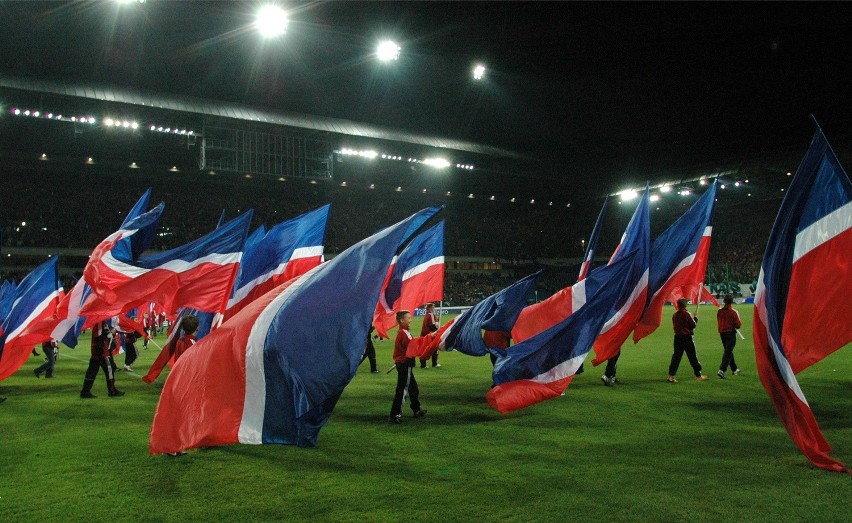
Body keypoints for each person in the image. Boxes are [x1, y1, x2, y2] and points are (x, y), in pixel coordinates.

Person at [388, 310, 427, 424]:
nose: (411, 320)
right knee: (402, 389)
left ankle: (416, 409)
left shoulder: (403, 332)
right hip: (405, 364)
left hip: (404, 363)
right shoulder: (404, 333)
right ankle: (394, 415)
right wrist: (429, 340)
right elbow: (414, 347)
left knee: (413, 388)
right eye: (408, 318)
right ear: (401, 320)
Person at [142, 315, 199, 384]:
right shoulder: (189, 342)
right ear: (197, 328)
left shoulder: (182, 340)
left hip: (182, 373)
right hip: (187, 375)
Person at [668, 298, 709, 382]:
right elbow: (693, 325)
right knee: (692, 356)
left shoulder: (675, 315)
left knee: (676, 357)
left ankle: (671, 376)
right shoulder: (687, 314)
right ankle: (698, 375)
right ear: (685, 305)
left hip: (677, 337)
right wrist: (696, 318)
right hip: (687, 338)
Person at [80, 322, 125, 398]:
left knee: (91, 372)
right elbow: (100, 337)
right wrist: (111, 333)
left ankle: (85, 391)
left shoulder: (102, 323)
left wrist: (111, 335)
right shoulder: (99, 323)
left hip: (97, 353)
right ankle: (112, 391)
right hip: (102, 353)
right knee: (109, 371)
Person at [716, 294, 742, 379]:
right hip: (730, 333)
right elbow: (738, 325)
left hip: (722, 333)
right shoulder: (733, 312)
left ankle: (734, 369)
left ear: (724, 301)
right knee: (728, 351)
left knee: (728, 351)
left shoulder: (719, 311)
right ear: (732, 301)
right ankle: (722, 370)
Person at [419, 303, 440, 368]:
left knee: (424, 349)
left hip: (425, 335)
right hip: (430, 335)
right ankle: (434, 364)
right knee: (434, 348)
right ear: (430, 308)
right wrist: (437, 328)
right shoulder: (430, 315)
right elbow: (432, 326)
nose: (434, 309)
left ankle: (423, 364)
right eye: (433, 307)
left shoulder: (427, 315)